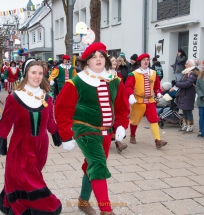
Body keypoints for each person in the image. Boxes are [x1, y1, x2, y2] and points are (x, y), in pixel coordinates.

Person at [55, 42, 129, 215]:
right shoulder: (76, 82)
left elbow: (121, 106)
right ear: (86, 61)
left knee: (92, 165)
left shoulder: (115, 80)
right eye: (93, 57)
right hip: (84, 129)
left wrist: (121, 125)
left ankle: (83, 201)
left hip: (105, 132)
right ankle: (106, 210)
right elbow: (62, 109)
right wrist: (66, 135)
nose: (98, 60)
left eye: (101, 56)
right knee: (97, 164)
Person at [0, 58, 62, 215]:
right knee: (31, 180)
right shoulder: (14, 98)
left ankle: (19, 202)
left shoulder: (47, 97)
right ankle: (45, 206)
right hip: (20, 146)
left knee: (26, 180)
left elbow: (50, 121)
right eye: (33, 72)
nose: (37, 76)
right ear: (26, 74)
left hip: (41, 147)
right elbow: (5, 124)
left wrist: (62, 137)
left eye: (40, 73)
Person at [125, 53, 167, 148]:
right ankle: (132, 135)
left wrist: (158, 92)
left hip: (150, 100)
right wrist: (131, 95)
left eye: (147, 59)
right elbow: (128, 86)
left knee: (154, 120)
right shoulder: (134, 74)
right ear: (140, 62)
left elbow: (156, 86)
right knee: (135, 120)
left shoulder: (153, 73)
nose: (146, 61)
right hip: (138, 100)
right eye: (144, 60)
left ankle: (158, 140)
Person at [109, 55, 128, 152]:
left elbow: (121, 86)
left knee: (117, 121)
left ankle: (118, 142)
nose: (114, 62)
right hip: (109, 100)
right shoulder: (106, 74)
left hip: (117, 98)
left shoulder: (117, 73)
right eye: (112, 61)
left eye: (115, 61)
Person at [176, 59, 199, 133]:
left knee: (188, 111)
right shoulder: (186, 73)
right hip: (184, 94)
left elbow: (187, 84)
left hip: (189, 94)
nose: (185, 65)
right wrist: (178, 83)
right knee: (184, 110)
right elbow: (181, 82)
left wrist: (177, 84)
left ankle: (190, 126)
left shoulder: (192, 73)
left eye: (186, 64)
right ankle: (185, 125)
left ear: (190, 65)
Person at [196, 60, 204, 138]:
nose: (202, 67)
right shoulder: (200, 77)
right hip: (201, 101)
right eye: (202, 66)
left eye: (203, 66)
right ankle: (201, 131)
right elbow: (197, 87)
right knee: (201, 116)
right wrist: (201, 95)